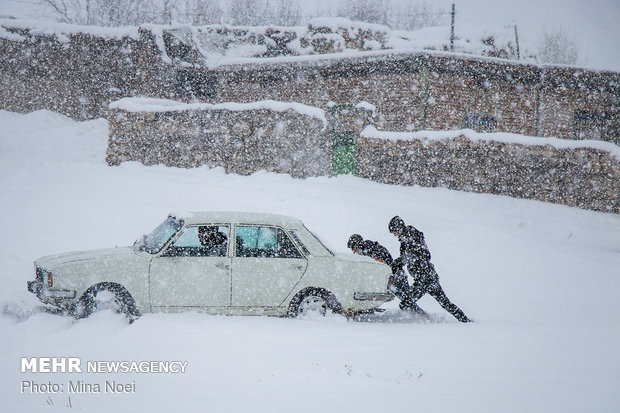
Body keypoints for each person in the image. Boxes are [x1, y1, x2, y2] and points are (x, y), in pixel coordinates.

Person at [389, 216, 471, 323]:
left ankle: (422, 321)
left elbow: (424, 255)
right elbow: (407, 258)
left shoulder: (411, 237)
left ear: (398, 228)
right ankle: (465, 321)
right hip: (429, 277)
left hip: (424, 279)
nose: (394, 234)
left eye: (394, 231)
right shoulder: (408, 239)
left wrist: (400, 262)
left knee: (406, 302)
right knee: (445, 303)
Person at [347, 234, 428, 317]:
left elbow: (384, 264)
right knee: (407, 299)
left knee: (406, 299)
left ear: (358, 245)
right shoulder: (370, 249)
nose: (354, 252)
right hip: (395, 276)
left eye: (354, 248)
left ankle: (421, 316)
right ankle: (419, 314)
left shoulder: (370, 250)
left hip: (396, 277)